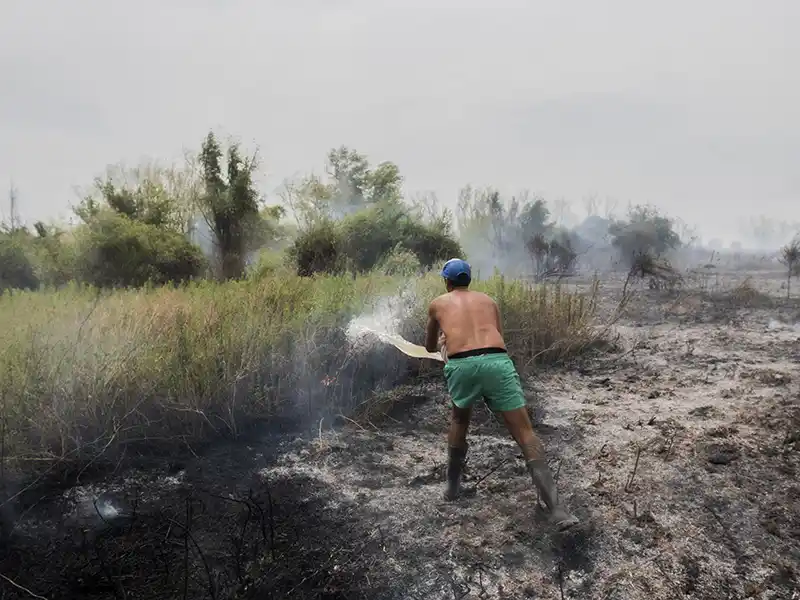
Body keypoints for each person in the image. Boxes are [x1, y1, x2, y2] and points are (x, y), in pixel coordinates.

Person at [425, 258, 579, 531]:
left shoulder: (438, 304)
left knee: (460, 421)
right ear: (469, 280)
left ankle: (452, 489)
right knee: (525, 433)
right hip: (497, 361)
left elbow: (429, 347)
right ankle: (557, 510)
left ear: (446, 281)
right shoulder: (490, 302)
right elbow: (497, 337)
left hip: (461, 364)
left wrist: (443, 345)